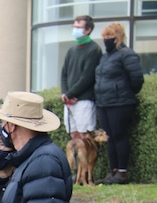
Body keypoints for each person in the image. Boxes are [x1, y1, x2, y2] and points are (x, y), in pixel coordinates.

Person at [95, 22, 144, 185]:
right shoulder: (105, 57)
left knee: (119, 135)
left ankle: (122, 172)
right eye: (104, 36)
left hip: (120, 102)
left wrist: (125, 93)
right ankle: (113, 171)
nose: (106, 39)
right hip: (104, 102)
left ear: (118, 37)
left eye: (109, 36)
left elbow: (137, 78)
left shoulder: (127, 54)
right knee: (110, 137)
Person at [60, 15, 102, 140]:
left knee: (85, 136)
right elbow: (64, 74)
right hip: (69, 101)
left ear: (88, 30)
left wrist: (70, 93)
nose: (75, 29)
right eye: (74, 27)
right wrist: (65, 93)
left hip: (84, 100)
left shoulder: (94, 49)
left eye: (79, 27)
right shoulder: (71, 50)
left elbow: (88, 77)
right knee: (73, 135)